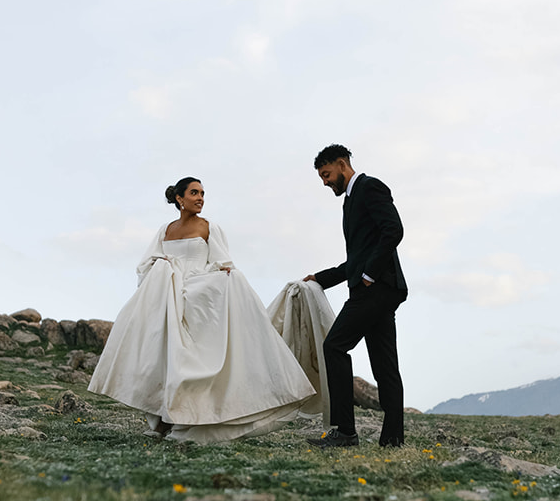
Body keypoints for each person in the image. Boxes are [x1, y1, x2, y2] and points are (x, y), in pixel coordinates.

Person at [89, 177, 315, 441]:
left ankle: (192, 418)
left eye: (203, 193)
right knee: (163, 357)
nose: (200, 198)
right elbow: (145, 265)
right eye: (194, 193)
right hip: (167, 293)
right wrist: (164, 267)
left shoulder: (209, 227)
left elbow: (222, 263)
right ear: (179, 199)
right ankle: (161, 419)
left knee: (192, 359)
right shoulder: (166, 229)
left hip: (199, 293)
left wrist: (219, 276)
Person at [305, 144, 407, 448]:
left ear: (341, 164)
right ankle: (392, 439)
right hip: (380, 289)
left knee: (334, 346)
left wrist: (368, 276)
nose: (324, 181)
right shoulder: (349, 203)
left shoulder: (369, 187)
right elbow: (358, 257)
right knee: (385, 365)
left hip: (376, 289)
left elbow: (394, 230)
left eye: (326, 174)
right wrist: (323, 278)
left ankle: (346, 432)